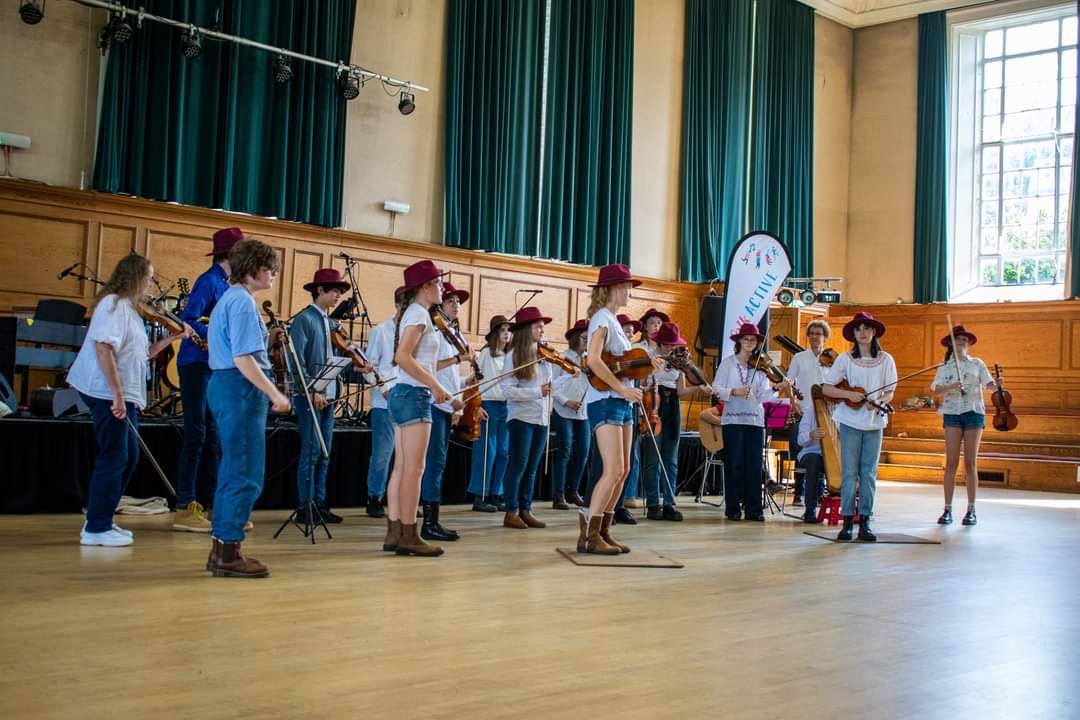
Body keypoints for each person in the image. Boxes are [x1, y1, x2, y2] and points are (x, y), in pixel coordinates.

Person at [68, 254, 193, 547]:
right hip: (105, 391)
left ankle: (102, 519)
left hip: (121, 394)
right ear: (134, 276)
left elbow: (141, 354)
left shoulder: (130, 310)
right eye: (148, 276)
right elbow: (103, 348)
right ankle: (96, 528)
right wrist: (117, 394)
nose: (151, 282)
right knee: (115, 456)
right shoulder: (114, 305)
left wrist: (172, 339)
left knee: (128, 457)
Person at [205, 238, 291, 576]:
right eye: (270, 269)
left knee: (232, 471)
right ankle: (229, 552)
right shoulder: (241, 302)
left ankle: (221, 549)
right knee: (246, 474)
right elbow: (243, 359)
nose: (273, 276)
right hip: (239, 388)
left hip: (228, 386)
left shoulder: (232, 299)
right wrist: (275, 394)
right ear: (254, 268)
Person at [580, 264, 663, 554]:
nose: (630, 291)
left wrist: (647, 366)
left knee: (624, 470)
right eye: (627, 286)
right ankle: (590, 535)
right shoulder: (602, 317)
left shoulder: (613, 320)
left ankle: (603, 529)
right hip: (606, 400)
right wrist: (621, 387)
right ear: (613, 288)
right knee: (613, 469)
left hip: (622, 401)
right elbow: (593, 360)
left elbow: (621, 362)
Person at [173, 227, 241, 532]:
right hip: (196, 364)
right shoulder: (209, 281)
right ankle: (185, 505)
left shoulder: (229, 285)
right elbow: (188, 319)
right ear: (232, 254)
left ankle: (215, 505)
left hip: (214, 365)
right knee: (197, 433)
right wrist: (214, 336)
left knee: (214, 435)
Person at [289, 268, 370, 525]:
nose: (338, 296)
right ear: (319, 290)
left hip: (330, 394)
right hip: (310, 396)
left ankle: (320, 503)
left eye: (339, 291)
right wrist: (312, 390)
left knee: (325, 452)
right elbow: (296, 359)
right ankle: (305, 505)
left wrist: (356, 365)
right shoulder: (304, 320)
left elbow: (335, 359)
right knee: (312, 450)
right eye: (334, 290)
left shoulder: (332, 323)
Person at [383, 260, 453, 557]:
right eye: (438, 283)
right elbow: (403, 357)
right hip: (414, 395)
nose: (442, 288)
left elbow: (418, 361)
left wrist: (446, 390)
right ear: (425, 287)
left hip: (403, 393)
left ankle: (395, 532)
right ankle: (410, 533)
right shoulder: (420, 314)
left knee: (401, 468)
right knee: (414, 469)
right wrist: (436, 386)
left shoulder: (414, 313)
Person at [822, 311, 897, 542]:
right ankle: (846, 522)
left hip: (874, 422)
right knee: (849, 473)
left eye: (866, 328)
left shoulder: (886, 359)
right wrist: (849, 395)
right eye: (858, 329)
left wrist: (880, 402)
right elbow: (826, 388)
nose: (862, 332)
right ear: (853, 334)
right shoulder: (845, 359)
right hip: (850, 421)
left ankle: (865, 520)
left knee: (869, 473)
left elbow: (889, 391)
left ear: (874, 332)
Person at [420, 281, 481, 541]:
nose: (456, 305)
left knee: (439, 462)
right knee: (434, 463)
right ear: (439, 305)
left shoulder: (450, 333)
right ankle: (428, 523)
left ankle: (434, 519)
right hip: (434, 404)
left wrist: (467, 383)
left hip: (446, 405)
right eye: (451, 301)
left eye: (458, 302)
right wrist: (460, 358)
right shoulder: (433, 331)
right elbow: (430, 367)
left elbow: (449, 376)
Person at [710, 323, 785, 521]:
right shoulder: (727, 364)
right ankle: (733, 508)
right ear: (739, 342)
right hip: (733, 420)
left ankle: (754, 510)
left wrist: (777, 388)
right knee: (733, 464)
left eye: (753, 339)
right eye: (746, 339)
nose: (750, 342)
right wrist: (735, 392)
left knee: (753, 465)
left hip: (755, 421)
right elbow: (715, 389)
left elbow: (762, 397)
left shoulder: (760, 368)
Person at [930, 325, 999, 527]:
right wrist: (952, 386)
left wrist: (998, 385)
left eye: (964, 340)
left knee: (970, 463)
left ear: (968, 344)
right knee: (951, 463)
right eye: (957, 339)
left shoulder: (977, 363)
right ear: (950, 343)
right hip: (952, 413)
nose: (961, 342)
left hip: (973, 413)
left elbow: (990, 385)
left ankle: (971, 509)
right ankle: (947, 509)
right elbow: (936, 390)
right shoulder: (944, 367)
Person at [500, 307, 557, 529]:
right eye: (538, 327)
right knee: (518, 466)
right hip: (521, 418)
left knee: (532, 467)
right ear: (526, 330)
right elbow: (507, 390)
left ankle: (526, 509)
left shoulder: (545, 355)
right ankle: (511, 511)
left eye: (543, 327)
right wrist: (536, 392)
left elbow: (549, 387)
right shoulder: (514, 356)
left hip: (541, 418)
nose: (542, 330)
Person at [641, 321, 704, 521]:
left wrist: (699, 387)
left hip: (673, 406)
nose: (670, 348)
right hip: (654, 404)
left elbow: (681, 391)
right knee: (653, 458)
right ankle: (652, 503)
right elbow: (642, 384)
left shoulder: (678, 361)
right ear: (659, 343)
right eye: (667, 344)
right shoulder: (651, 359)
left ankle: (669, 503)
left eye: (673, 345)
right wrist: (652, 369)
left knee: (671, 459)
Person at [363, 287, 406, 518]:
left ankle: (400, 498)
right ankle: (374, 497)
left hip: (407, 400)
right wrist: (385, 388)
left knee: (405, 454)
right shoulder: (380, 331)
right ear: (398, 306)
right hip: (384, 401)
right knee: (383, 452)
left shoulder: (413, 332)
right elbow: (369, 369)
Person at [467, 315, 512, 512]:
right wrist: (477, 406)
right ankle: (480, 495)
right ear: (495, 333)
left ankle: (496, 493)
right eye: (503, 330)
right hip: (489, 404)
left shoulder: (510, 357)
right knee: (487, 451)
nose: (507, 334)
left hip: (506, 406)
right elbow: (475, 381)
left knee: (503, 452)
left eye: (508, 330)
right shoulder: (486, 354)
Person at [785, 319, 831, 508]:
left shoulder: (832, 359)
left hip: (826, 412)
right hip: (803, 410)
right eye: (811, 333)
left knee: (824, 451)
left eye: (818, 334)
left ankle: (819, 493)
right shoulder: (799, 357)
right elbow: (788, 382)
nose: (814, 337)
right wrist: (792, 403)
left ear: (825, 337)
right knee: (800, 450)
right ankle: (799, 493)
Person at [550, 319, 589, 509]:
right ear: (575, 338)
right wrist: (567, 401)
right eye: (584, 338)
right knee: (564, 452)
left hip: (583, 412)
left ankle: (573, 490)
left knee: (583, 451)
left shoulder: (590, 360)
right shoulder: (562, 357)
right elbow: (552, 386)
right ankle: (559, 494)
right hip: (563, 410)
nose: (587, 341)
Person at [613, 312, 646, 523]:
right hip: (612, 405)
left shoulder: (632, 354)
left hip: (629, 407)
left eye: (632, 332)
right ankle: (598, 508)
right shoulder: (613, 354)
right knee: (610, 464)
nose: (630, 334)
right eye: (626, 330)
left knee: (627, 462)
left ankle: (619, 506)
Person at [795, 399, 826, 524]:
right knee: (815, 460)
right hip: (808, 453)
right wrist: (811, 435)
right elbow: (800, 440)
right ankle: (810, 510)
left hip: (830, 457)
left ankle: (854, 511)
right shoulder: (810, 411)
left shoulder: (840, 411)